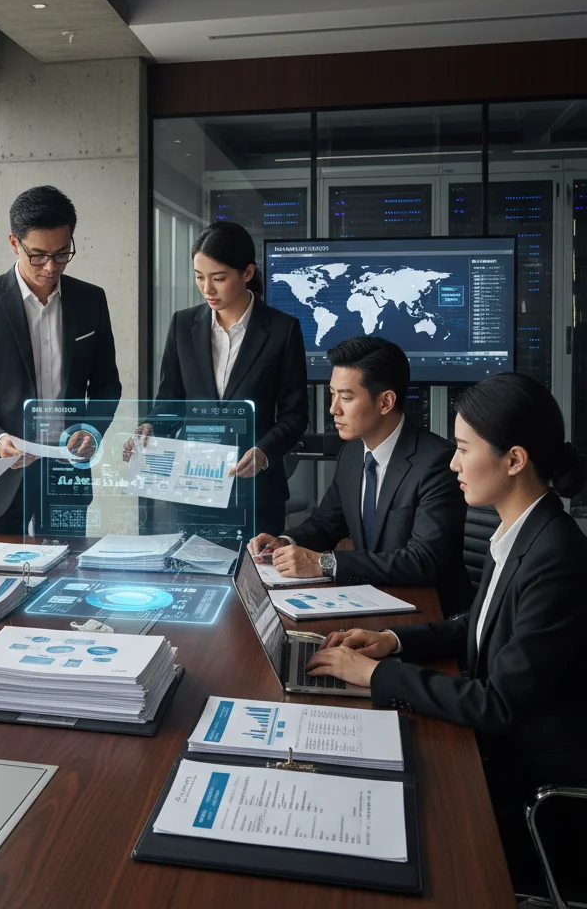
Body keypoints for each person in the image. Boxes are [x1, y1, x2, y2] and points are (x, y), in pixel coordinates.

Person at [307, 372, 587, 894]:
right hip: (493, 749)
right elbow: (477, 627)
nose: (453, 463)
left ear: (514, 459)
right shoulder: (521, 531)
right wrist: (394, 641)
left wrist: (378, 676)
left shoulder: (557, 557)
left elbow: (498, 704)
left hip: (525, 785)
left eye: (462, 449)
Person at [0, 184, 122, 537]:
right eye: (38, 255)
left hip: (65, 472)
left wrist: (90, 430)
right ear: (15, 244)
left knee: (64, 582)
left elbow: (106, 385)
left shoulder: (90, 300)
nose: (51, 266)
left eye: (61, 254)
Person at [250, 335, 471, 615]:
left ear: (386, 402)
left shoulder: (437, 462)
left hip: (430, 613)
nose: (333, 409)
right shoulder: (353, 453)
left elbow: (423, 561)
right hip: (371, 601)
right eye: (332, 394)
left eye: (346, 397)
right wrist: (284, 543)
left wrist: (325, 563)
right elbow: (326, 523)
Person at [137, 221, 308, 537]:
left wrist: (264, 452)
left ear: (247, 273)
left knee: (253, 580)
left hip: (255, 492)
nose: (207, 289)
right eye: (199, 277)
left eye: (218, 278)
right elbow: (169, 400)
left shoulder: (282, 330)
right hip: (193, 487)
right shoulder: (182, 325)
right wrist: (150, 427)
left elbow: (295, 414)